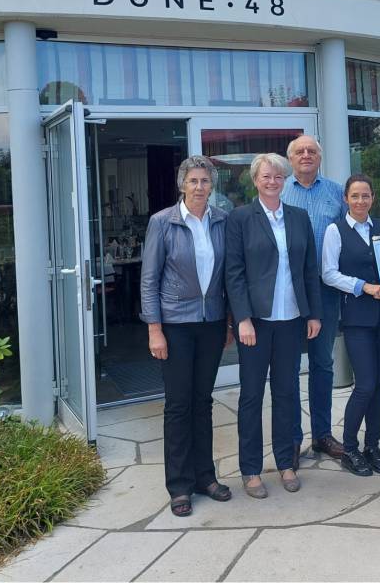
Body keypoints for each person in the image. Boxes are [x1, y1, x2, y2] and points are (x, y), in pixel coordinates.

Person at [226, 152, 322, 498]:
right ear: (255, 180)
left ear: (285, 180)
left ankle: (285, 463)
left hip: (291, 320)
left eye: (278, 176)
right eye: (266, 176)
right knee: (252, 396)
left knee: (287, 393)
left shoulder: (298, 217)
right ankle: (251, 469)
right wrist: (242, 319)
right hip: (256, 323)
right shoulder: (240, 218)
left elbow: (309, 269)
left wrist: (313, 314)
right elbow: (234, 273)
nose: (272, 181)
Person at [140, 155, 231, 518]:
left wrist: (228, 322)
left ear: (212, 185)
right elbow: (149, 280)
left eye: (204, 181)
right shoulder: (162, 222)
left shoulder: (221, 220)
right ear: (182, 184)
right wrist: (155, 329)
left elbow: (228, 275)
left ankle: (205, 477)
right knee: (179, 405)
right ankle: (179, 485)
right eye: (193, 181)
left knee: (203, 402)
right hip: (175, 325)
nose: (199, 187)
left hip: (212, 324)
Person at [322, 174, 380, 476]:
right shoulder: (336, 231)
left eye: (365, 195)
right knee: (365, 384)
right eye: (354, 196)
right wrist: (363, 286)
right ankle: (350, 448)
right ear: (346, 199)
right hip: (357, 318)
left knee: (379, 385)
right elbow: (328, 273)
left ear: (373, 198)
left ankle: (372, 446)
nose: (360, 201)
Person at [282, 135, 346, 466]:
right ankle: (292, 439)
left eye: (312, 151)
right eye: (300, 151)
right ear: (290, 159)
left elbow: (350, 234)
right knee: (289, 367)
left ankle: (322, 434)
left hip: (325, 291)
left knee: (322, 363)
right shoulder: (278, 191)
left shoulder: (336, 192)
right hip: (287, 292)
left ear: (320, 157)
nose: (306, 155)